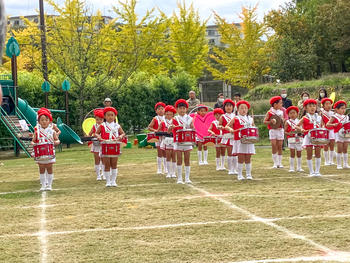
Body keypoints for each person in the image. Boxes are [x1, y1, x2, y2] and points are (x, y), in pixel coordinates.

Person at [96, 107, 126, 187]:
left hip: (115, 145)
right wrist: (99, 137)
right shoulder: (102, 125)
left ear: (114, 116)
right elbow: (96, 133)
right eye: (108, 115)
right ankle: (108, 181)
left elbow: (123, 133)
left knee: (114, 164)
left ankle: (113, 181)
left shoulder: (117, 125)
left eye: (112, 115)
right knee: (107, 164)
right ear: (105, 117)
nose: (110, 117)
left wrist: (120, 137)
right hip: (105, 145)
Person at [32, 108, 60, 191]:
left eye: (46, 120)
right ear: (39, 122)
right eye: (42, 120)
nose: (44, 121)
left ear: (49, 121)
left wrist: (56, 142)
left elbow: (57, 140)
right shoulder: (37, 132)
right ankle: (43, 185)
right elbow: (33, 141)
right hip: (40, 154)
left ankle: (49, 185)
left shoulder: (52, 131)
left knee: (49, 168)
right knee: (41, 169)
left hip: (49, 153)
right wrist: (35, 144)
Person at [169, 99, 194, 184]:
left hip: (187, 141)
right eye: (180, 108)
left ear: (186, 109)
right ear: (177, 109)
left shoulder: (190, 118)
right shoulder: (175, 118)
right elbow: (171, 130)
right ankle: (179, 178)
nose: (182, 110)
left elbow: (192, 128)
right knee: (179, 159)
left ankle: (187, 178)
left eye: (184, 108)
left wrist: (192, 126)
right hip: (178, 141)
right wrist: (171, 127)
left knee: (187, 159)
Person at [229, 100, 256, 180]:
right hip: (239, 140)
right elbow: (228, 126)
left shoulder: (250, 119)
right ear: (238, 109)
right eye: (241, 108)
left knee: (248, 157)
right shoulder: (236, 118)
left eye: (245, 108)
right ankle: (239, 175)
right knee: (240, 157)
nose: (244, 110)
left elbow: (253, 127)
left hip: (249, 140)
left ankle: (248, 174)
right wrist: (231, 130)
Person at [297, 99, 323, 176]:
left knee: (318, 154)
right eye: (310, 106)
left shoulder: (319, 117)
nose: (312, 108)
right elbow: (296, 126)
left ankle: (317, 171)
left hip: (317, 137)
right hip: (308, 137)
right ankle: (311, 171)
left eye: (314, 106)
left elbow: (322, 126)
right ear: (305, 108)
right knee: (309, 154)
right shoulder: (304, 118)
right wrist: (301, 129)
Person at [326, 100, 350, 169]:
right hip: (338, 134)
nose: (343, 110)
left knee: (345, 149)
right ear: (336, 109)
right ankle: (339, 164)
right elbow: (327, 124)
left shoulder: (346, 117)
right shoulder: (334, 116)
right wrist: (333, 124)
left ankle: (345, 164)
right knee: (339, 149)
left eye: (344, 108)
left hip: (346, 133)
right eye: (342, 108)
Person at [264, 96, 285, 168]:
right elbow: (264, 121)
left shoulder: (281, 112)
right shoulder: (270, 112)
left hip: (280, 130)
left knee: (279, 146)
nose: (281, 104)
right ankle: (275, 163)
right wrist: (270, 121)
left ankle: (280, 162)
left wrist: (283, 121)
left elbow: (283, 121)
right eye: (280, 103)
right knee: (274, 145)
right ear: (275, 104)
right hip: (273, 130)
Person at [219, 99, 237, 175]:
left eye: (230, 106)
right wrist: (220, 127)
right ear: (224, 107)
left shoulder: (235, 116)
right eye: (226, 106)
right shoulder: (222, 116)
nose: (228, 107)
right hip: (227, 136)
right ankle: (230, 169)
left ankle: (235, 169)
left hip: (235, 136)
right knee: (230, 153)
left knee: (235, 153)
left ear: (233, 107)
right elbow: (220, 124)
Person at [148, 102, 167, 174]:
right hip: (158, 137)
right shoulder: (155, 118)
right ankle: (159, 168)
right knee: (159, 152)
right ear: (156, 111)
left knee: (165, 152)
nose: (161, 110)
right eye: (159, 109)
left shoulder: (167, 117)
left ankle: (166, 168)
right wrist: (155, 130)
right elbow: (149, 127)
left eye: (162, 109)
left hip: (165, 136)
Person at [159, 105, 177, 178]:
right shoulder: (163, 123)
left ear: (173, 114)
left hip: (174, 140)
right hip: (166, 140)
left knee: (174, 156)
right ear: (164, 114)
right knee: (168, 156)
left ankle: (174, 172)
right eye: (167, 114)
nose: (168, 116)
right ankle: (169, 172)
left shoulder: (175, 121)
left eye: (170, 114)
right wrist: (165, 132)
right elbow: (158, 131)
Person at [284, 106, 303, 172]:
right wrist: (288, 134)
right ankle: (291, 167)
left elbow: (302, 129)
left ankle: (299, 167)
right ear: (288, 115)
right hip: (291, 139)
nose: (292, 115)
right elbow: (285, 131)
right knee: (292, 153)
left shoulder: (300, 121)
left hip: (299, 138)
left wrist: (300, 132)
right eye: (290, 113)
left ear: (297, 114)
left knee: (299, 152)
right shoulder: (287, 122)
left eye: (294, 113)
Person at [89, 109, 104, 180]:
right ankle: (98, 175)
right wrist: (89, 137)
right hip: (96, 145)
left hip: (103, 144)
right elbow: (90, 133)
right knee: (97, 159)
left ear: (103, 119)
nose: (99, 121)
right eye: (97, 119)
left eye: (100, 119)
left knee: (103, 159)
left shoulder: (104, 126)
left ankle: (104, 174)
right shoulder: (94, 126)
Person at [320, 98, 335, 165]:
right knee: (325, 145)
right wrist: (322, 126)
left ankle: (331, 160)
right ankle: (326, 161)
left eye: (330, 104)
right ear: (323, 106)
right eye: (327, 104)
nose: (329, 105)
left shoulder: (333, 113)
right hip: (325, 131)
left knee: (332, 145)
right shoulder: (322, 113)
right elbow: (321, 122)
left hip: (332, 130)